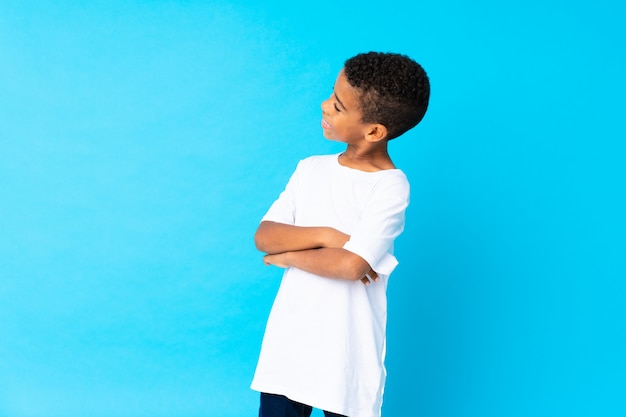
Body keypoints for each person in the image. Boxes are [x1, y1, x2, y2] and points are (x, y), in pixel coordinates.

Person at [251, 52, 430, 417]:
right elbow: (265, 237)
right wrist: (330, 235)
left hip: (349, 351)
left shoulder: (390, 186)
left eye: (337, 104)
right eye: (330, 96)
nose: (324, 106)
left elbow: (350, 266)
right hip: (289, 343)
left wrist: (290, 256)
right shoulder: (310, 170)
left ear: (374, 131)